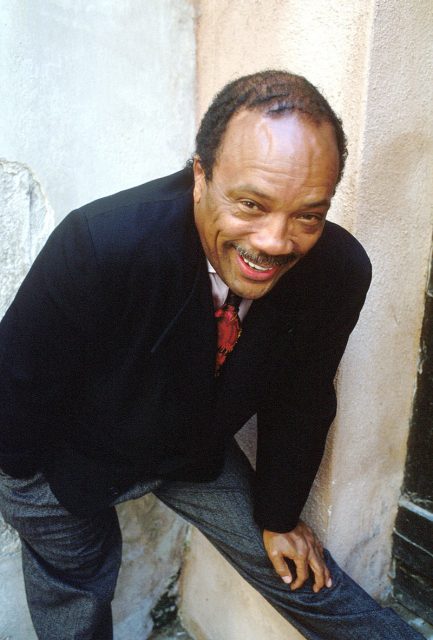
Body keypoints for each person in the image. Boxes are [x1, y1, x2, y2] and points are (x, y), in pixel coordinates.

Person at [0, 70, 422, 640]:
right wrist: (36, 500)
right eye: (251, 203)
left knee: (300, 573)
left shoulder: (336, 271)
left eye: (308, 215)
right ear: (200, 176)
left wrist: (277, 517)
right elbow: (14, 388)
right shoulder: (102, 243)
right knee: (75, 598)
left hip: (192, 450)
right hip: (73, 459)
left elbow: (301, 399)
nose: (275, 241)